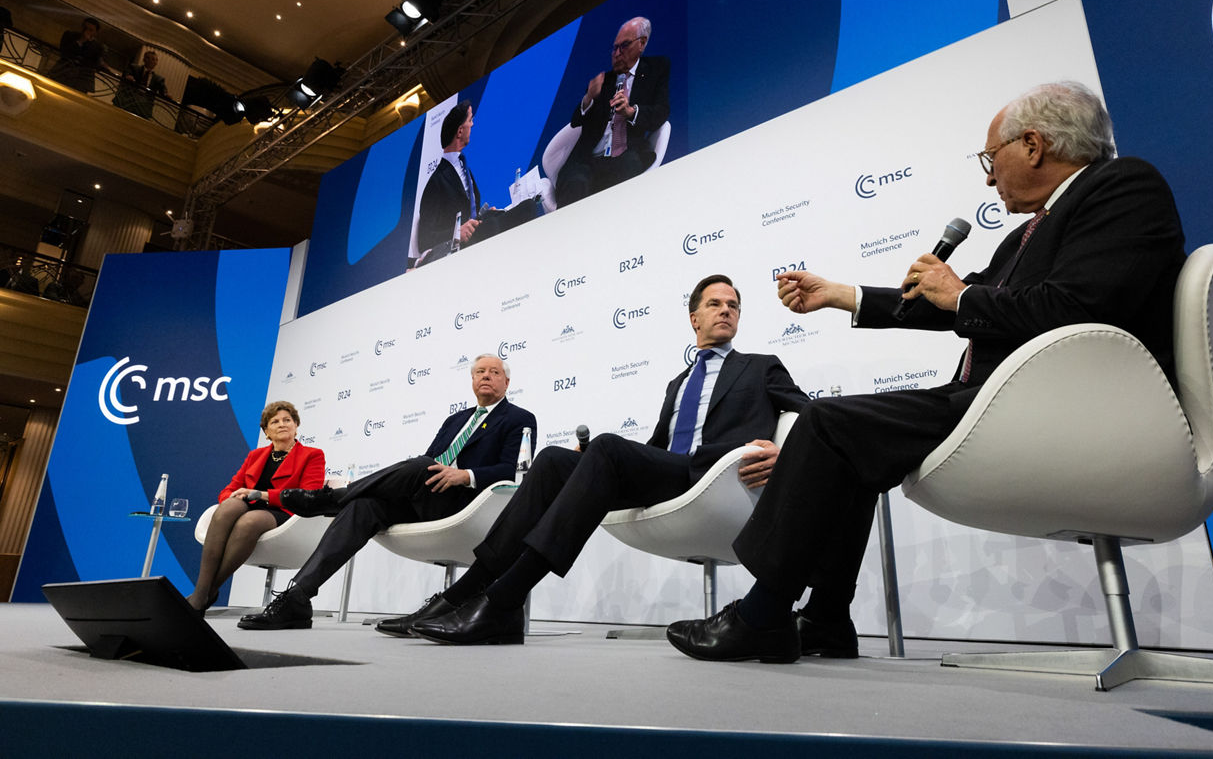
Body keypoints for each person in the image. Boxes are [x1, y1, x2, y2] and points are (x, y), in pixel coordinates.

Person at [664, 81, 1188, 664]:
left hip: (1068, 406)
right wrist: (842, 294)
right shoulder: (1027, 233)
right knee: (841, 436)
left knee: (828, 426)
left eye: (992, 160)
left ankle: (763, 614)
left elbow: (1080, 307)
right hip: (1002, 399)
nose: (989, 179)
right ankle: (827, 619)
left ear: (1034, 145)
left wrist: (960, 292)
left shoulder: (1122, 188)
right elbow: (952, 307)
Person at [408, 274, 811, 646]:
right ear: (694, 318)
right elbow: (658, 446)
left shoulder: (760, 367)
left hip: (716, 479)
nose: (725, 310)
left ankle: (502, 601)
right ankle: (467, 590)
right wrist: (595, 462)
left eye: (733, 305)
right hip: (671, 474)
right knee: (551, 461)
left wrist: (787, 452)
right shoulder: (679, 382)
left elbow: (813, 417)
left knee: (607, 447)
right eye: (715, 304)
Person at [237, 354, 537, 630]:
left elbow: (516, 471)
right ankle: (297, 598)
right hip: (429, 497)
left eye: (494, 372)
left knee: (419, 465)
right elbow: (431, 461)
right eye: (480, 372)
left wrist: (465, 475)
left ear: (506, 382)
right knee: (363, 506)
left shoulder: (518, 418)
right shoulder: (455, 419)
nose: (486, 376)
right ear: (472, 380)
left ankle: (331, 498)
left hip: (469, 505)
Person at [186, 401, 325, 614]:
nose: (282, 424)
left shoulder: (312, 455)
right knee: (228, 507)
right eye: (275, 421)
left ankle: (203, 593)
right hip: (249, 506)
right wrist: (235, 497)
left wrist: (263, 495)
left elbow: (310, 495)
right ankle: (205, 592)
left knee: (249, 522)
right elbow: (228, 490)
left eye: (287, 420)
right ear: (266, 431)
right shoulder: (255, 456)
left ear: (296, 425)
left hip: (284, 513)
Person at [554, 16, 670, 207]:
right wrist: (589, 98)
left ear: (641, 43)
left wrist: (631, 112)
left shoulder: (657, 69)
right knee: (575, 182)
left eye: (624, 46)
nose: (616, 53)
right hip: (589, 159)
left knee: (626, 173)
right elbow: (576, 121)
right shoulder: (603, 81)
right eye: (614, 48)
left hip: (626, 154)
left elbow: (661, 111)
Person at [414, 101, 486, 265]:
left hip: (476, 241)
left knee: (518, 210)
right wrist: (456, 233)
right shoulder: (436, 182)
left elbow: (472, 212)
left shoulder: (465, 169)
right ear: (460, 131)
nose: (473, 124)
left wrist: (485, 214)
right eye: (470, 120)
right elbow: (424, 239)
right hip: (457, 254)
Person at [52, 17, 108, 93]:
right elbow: (64, 51)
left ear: (95, 32)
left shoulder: (98, 47)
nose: (86, 31)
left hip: (81, 81)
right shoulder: (70, 35)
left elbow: (95, 63)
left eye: (90, 30)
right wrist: (80, 41)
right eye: (85, 28)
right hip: (63, 74)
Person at [114, 49, 168, 117]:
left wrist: (166, 95)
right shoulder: (134, 67)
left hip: (143, 109)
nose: (151, 61)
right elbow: (126, 74)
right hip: (126, 103)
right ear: (144, 59)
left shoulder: (159, 79)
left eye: (154, 59)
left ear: (156, 63)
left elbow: (163, 91)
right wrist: (128, 76)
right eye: (148, 58)